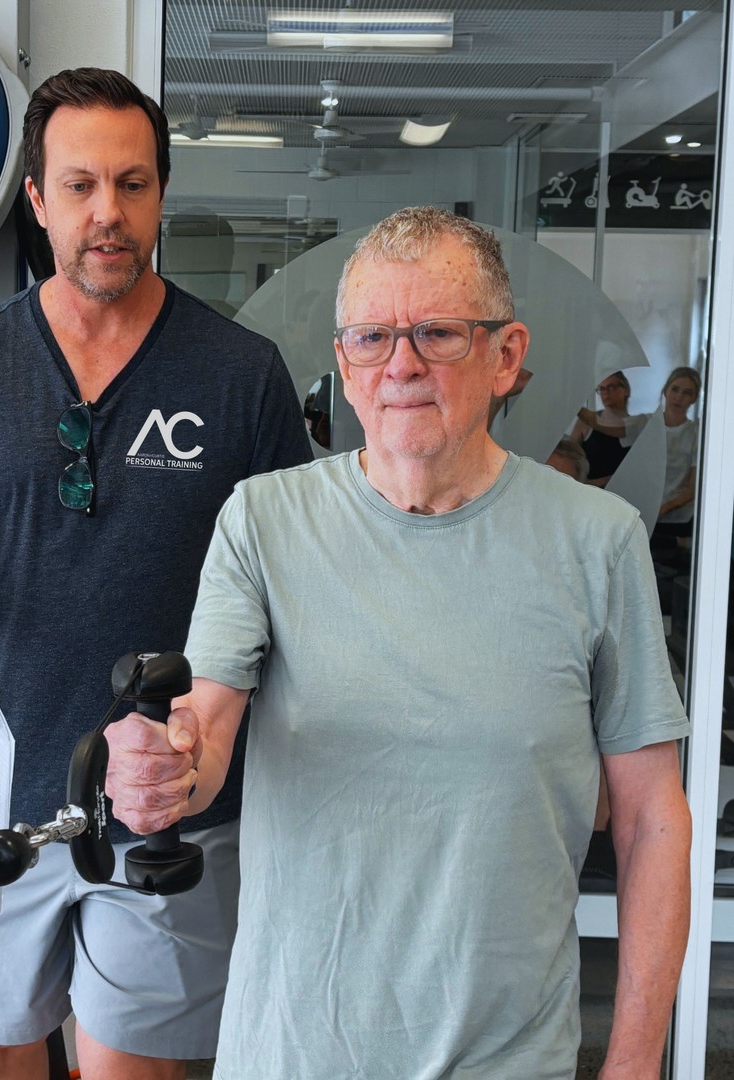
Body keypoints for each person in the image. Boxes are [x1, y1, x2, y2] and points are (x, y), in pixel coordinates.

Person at [105, 207, 692, 1079]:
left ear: (507, 356)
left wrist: (637, 1060)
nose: (402, 365)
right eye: (373, 337)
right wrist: (162, 762)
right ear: (344, 366)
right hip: (292, 1053)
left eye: (438, 334)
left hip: (509, 1058)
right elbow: (208, 728)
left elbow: (652, 820)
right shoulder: (265, 520)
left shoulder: (596, 541)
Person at [0, 67, 312, 1080]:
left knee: (130, 1072)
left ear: (161, 193)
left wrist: (211, 732)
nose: (109, 213)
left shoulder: (241, 375)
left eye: (134, 183)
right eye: (80, 185)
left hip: (169, 805)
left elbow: (296, 589)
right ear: (37, 200)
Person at [578, 366, 701, 562]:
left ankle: (679, 543)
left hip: (677, 518)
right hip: (647, 513)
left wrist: (665, 508)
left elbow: (693, 487)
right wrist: (573, 403)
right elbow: (608, 427)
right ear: (665, 392)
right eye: (675, 390)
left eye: (687, 393)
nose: (679, 397)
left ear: (694, 398)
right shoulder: (646, 423)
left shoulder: (697, 433)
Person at [568, 370, 635, 486]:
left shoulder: (637, 425)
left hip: (623, 491)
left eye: (611, 387)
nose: (606, 393)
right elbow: (570, 456)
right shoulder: (585, 423)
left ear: (626, 390)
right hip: (587, 490)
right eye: (602, 389)